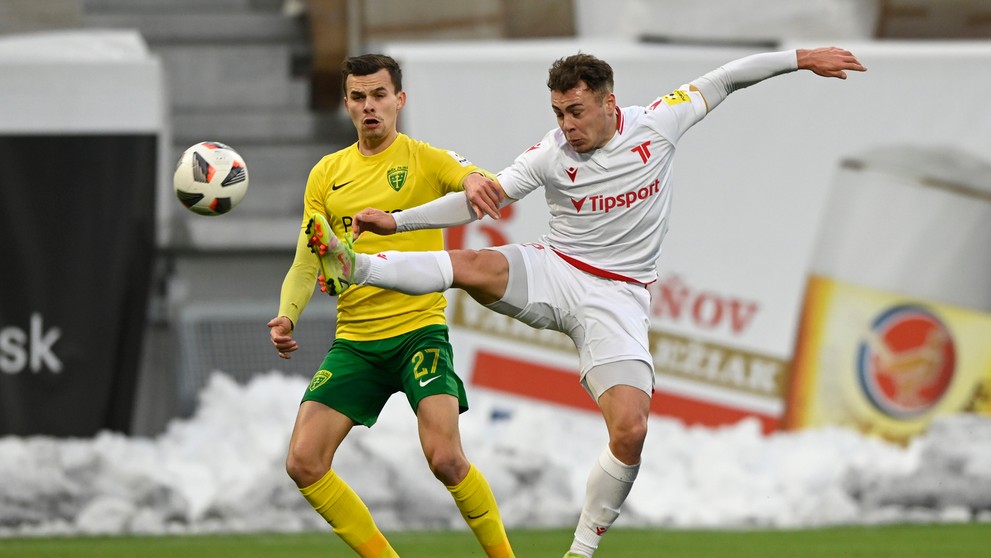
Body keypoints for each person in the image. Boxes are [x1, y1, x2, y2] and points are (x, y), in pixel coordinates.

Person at [319, 47, 866, 557]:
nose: (567, 126)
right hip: (555, 269)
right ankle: (361, 267)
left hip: (618, 297)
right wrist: (397, 222)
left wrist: (801, 59)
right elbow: (480, 201)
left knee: (630, 429)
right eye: (558, 112)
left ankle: (580, 550)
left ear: (608, 102)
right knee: (474, 267)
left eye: (576, 111)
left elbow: (725, 79)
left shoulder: (658, 123)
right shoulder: (549, 154)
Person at [267, 53, 515, 558]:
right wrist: (287, 315)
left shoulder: (423, 158)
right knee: (303, 461)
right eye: (358, 97)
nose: (369, 106)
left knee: (445, 457)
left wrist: (470, 179)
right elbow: (307, 258)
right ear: (347, 105)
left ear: (400, 100)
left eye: (379, 95)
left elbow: (473, 178)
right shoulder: (327, 173)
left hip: (418, 332)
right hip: (356, 342)